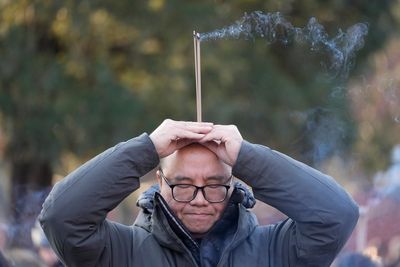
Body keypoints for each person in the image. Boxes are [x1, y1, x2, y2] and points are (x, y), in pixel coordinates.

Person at [39, 119, 359, 267]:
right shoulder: (118, 253)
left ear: (234, 184)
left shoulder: (277, 251)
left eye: (214, 184)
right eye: (183, 185)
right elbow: (61, 217)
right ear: (161, 182)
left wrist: (247, 156)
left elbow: (337, 215)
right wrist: (146, 149)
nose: (200, 198)